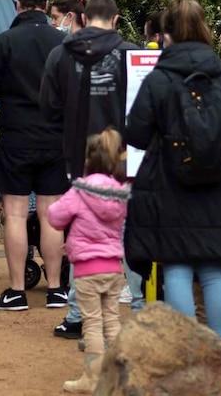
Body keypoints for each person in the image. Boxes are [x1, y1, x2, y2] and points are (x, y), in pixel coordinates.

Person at [124, 0, 221, 344]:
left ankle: (186, 350)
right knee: (215, 270)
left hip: (169, 187)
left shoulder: (159, 79)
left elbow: (136, 133)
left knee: (177, 267)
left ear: (166, 34)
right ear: (205, 31)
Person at [40, 0, 138, 338]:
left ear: (83, 17)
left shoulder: (60, 53)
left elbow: (48, 108)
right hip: (124, 157)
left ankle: (78, 314)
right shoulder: (132, 54)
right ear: (115, 19)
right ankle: (139, 311)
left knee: (80, 232)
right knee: (129, 231)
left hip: (79, 155)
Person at [0, 0, 69, 311]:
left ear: (17, 5)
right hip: (54, 138)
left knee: (16, 214)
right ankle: (57, 289)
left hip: (16, 136)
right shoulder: (62, 42)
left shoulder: (4, 41)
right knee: (51, 215)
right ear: (45, 6)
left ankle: (17, 291)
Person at [47, 128, 129, 393]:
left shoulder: (80, 191)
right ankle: (118, 378)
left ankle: (92, 379)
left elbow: (55, 217)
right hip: (114, 268)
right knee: (112, 321)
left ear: (88, 160)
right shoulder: (120, 193)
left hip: (86, 270)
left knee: (92, 324)